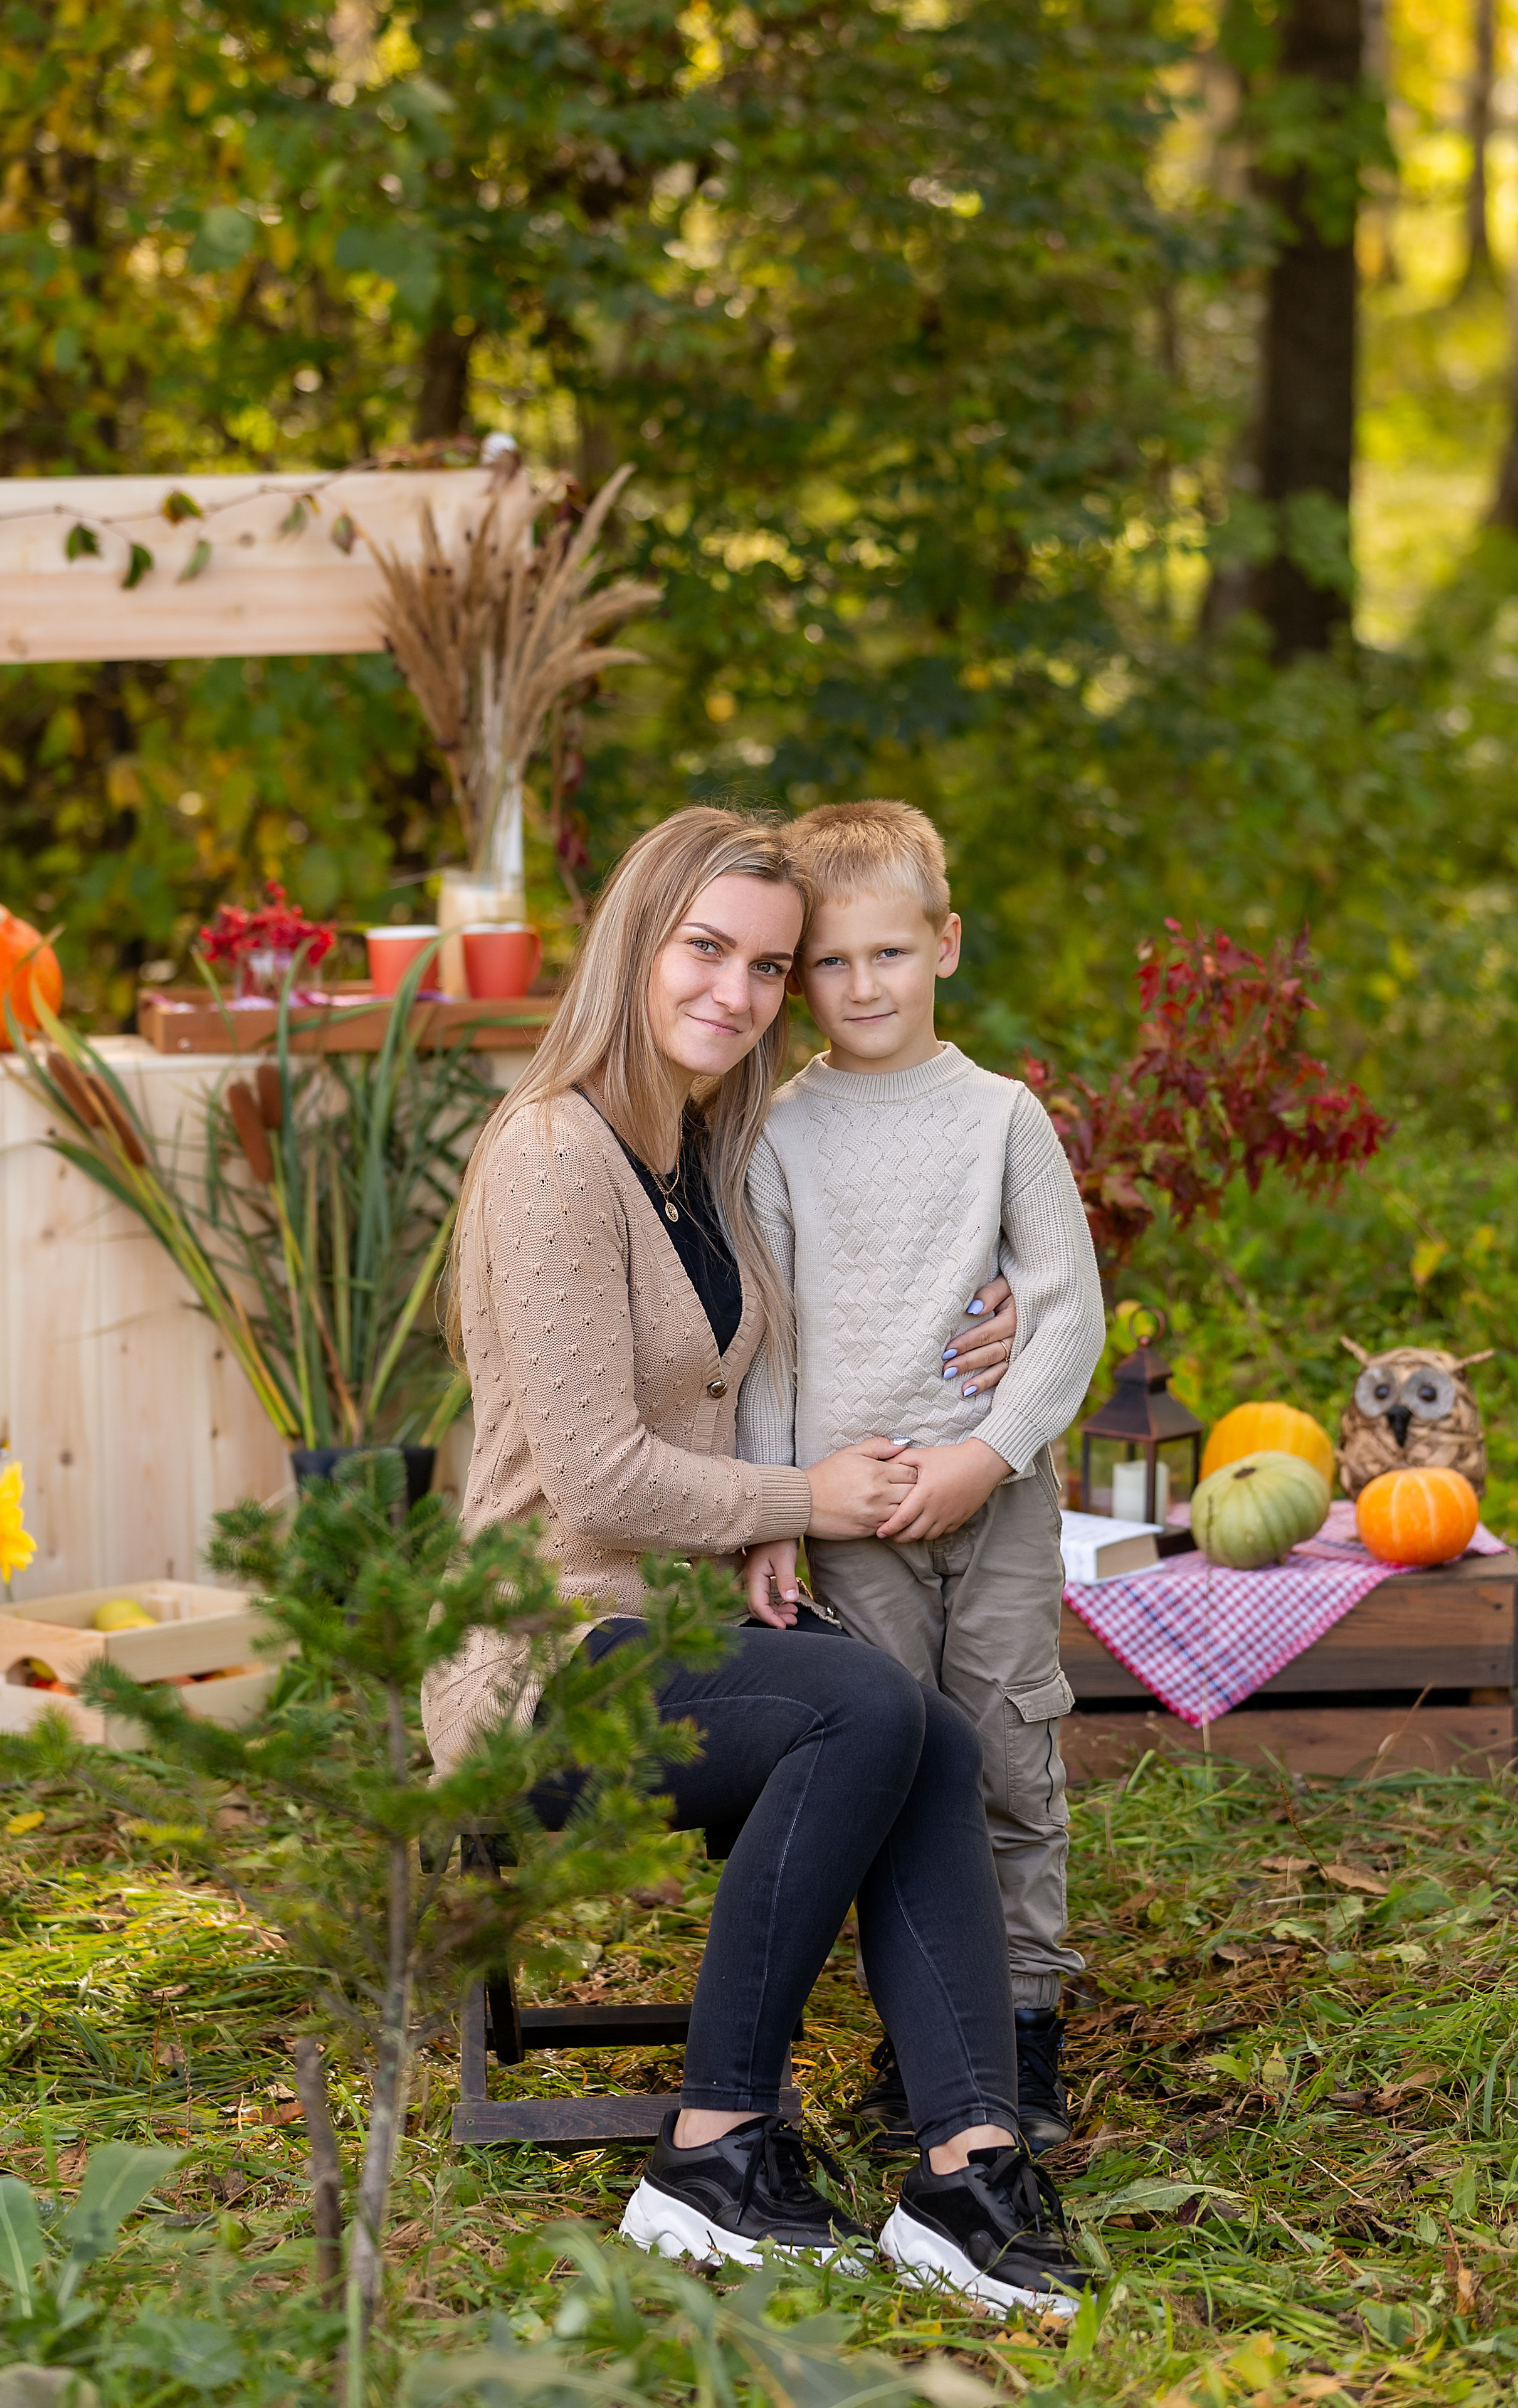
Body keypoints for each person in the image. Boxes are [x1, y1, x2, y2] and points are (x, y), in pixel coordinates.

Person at [424, 806, 1088, 2307]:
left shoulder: (702, 1153)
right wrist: (808, 1503)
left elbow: (862, 1276)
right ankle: (711, 2146)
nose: (735, 991)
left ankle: (967, 2171)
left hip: (666, 1640)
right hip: (540, 1662)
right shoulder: (551, 1155)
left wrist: (995, 1319)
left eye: (766, 966)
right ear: (635, 945)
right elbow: (594, 1470)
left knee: (915, 1725)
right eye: (704, 949)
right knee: (862, 1704)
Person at [737, 800, 1106, 2157]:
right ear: (800, 980)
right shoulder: (778, 1132)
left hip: (990, 1502)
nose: (861, 986)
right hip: (856, 1518)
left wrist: (983, 1454)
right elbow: (767, 1345)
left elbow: (1064, 1310)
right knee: (901, 1770)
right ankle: (924, 2044)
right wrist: (772, 1511)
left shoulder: (1001, 1119)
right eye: (830, 964)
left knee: (1008, 1749)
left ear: (943, 944)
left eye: (888, 954)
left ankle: (1020, 2034)